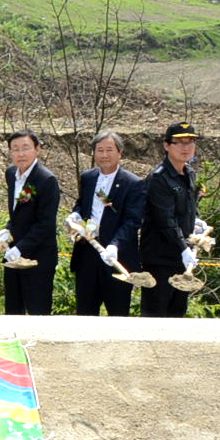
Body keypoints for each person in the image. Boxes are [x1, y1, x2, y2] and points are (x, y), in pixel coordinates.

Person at [69, 130, 145, 317]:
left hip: (116, 257)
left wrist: (115, 245)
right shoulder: (88, 178)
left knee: (117, 313)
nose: (104, 155)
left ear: (120, 152)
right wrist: (75, 216)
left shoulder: (133, 183)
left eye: (109, 150)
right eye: (99, 150)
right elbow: (82, 204)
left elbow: (133, 221)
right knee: (85, 312)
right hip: (87, 253)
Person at [140, 121, 201, 318]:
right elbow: (165, 219)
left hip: (182, 258)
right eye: (179, 142)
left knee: (177, 314)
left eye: (190, 142)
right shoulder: (159, 178)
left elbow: (189, 208)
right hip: (160, 258)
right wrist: (183, 248)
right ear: (167, 146)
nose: (186, 148)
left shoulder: (188, 173)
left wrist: (197, 224)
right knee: (156, 314)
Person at [0, 129, 60, 316]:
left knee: (37, 312)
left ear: (37, 150)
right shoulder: (11, 173)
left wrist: (20, 248)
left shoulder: (46, 179)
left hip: (38, 258)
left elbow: (46, 223)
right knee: (13, 310)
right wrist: (7, 231)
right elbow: (18, 215)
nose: (20, 154)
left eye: (26, 148)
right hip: (13, 256)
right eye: (15, 149)